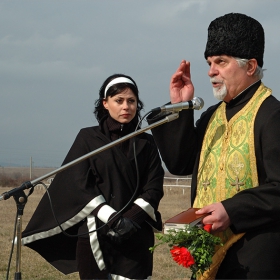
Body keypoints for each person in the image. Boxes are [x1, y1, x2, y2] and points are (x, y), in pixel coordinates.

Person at [147, 13, 280, 279]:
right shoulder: (211, 115)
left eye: (221, 62)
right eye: (209, 62)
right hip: (208, 259)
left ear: (250, 66)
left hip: (255, 258)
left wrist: (232, 210)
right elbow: (180, 163)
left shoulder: (272, 115)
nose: (211, 71)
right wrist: (181, 107)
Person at [22, 74, 164, 280]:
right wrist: (112, 218)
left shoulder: (147, 143)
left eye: (131, 101)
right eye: (119, 100)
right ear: (105, 104)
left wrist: (131, 219)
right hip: (95, 234)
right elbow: (77, 183)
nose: (126, 106)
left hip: (136, 234)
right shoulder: (87, 138)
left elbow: (153, 187)